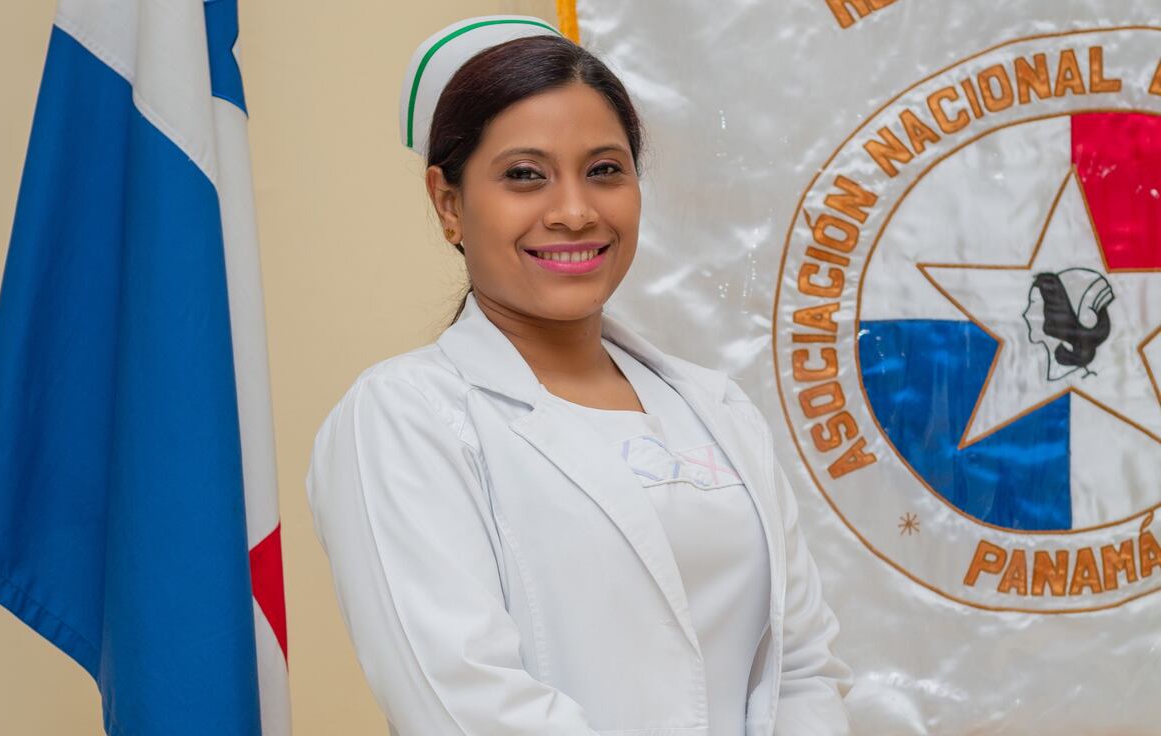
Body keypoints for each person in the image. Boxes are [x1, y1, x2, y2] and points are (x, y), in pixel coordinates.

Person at [306, 14, 852, 736]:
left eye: (604, 171)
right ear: (448, 203)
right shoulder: (404, 416)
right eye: (524, 175)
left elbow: (802, 670)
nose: (573, 212)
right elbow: (466, 705)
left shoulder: (717, 410)